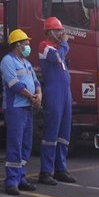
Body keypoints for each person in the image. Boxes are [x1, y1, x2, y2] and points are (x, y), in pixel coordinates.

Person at [0, 28, 41, 194]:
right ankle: (11, 181)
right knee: (15, 144)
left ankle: (21, 177)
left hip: (26, 108)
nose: (28, 46)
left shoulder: (26, 63)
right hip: (15, 108)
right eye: (26, 43)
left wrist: (39, 95)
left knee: (26, 144)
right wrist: (32, 97)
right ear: (17, 45)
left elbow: (36, 82)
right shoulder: (7, 61)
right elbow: (14, 85)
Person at [38, 17, 77, 185]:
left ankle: (60, 169)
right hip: (54, 92)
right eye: (58, 30)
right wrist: (65, 43)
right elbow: (57, 57)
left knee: (64, 133)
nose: (61, 33)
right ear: (50, 32)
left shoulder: (58, 47)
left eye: (61, 30)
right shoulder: (44, 46)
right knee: (51, 132)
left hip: (65, 92)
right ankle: (46, 171)